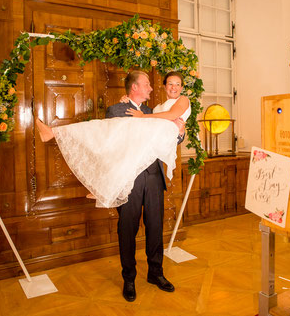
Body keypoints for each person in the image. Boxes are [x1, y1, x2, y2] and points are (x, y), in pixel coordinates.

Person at [36, 70, 190, 301]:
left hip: (154, 177)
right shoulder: (116, 110)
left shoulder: (152, 111)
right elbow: (105, 144)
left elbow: (168, 134)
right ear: (134, 87)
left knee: (156, 226)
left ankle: (155, 273)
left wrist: (181, 132)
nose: (151, 87)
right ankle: (129, 278)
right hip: (128, 179)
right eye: (146, 84)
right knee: (127, 228)